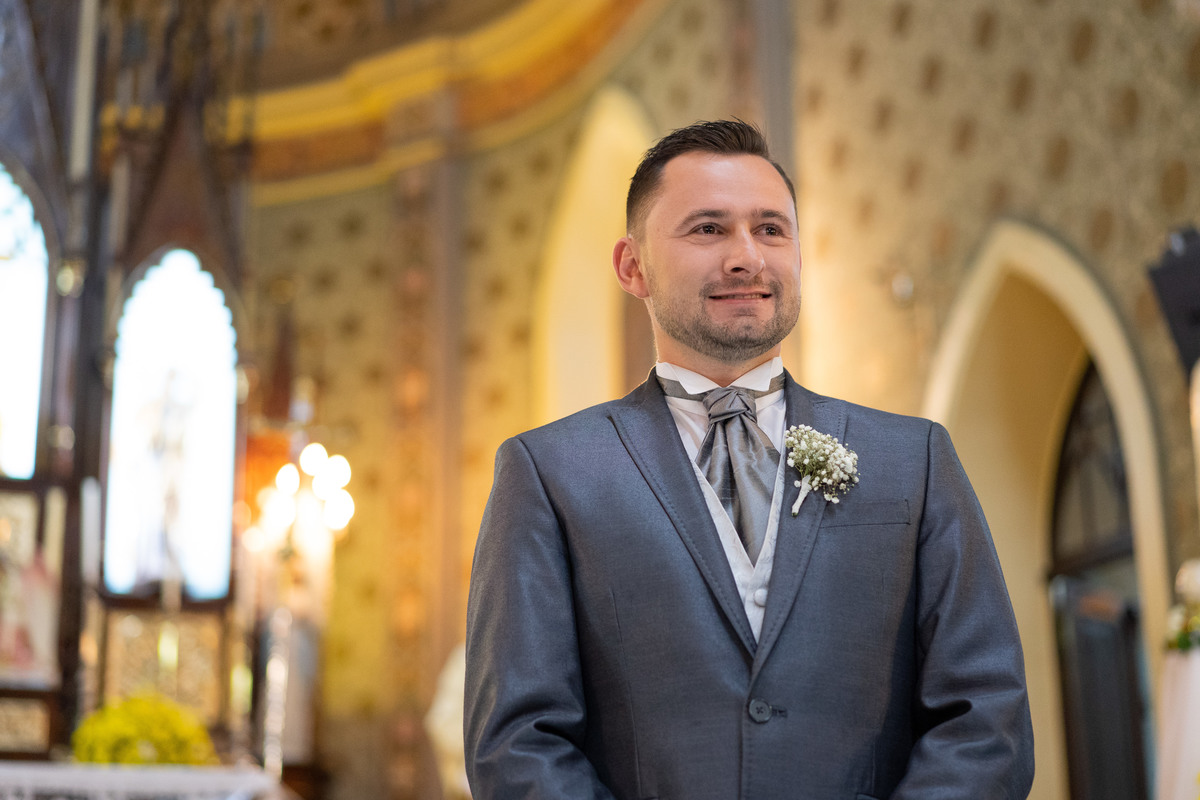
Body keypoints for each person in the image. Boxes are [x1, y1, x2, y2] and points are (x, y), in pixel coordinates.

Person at [464, 119, 1034, 799]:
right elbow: (516, 744)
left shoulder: (915, 460)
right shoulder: (549, 473)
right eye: (708, 229)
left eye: (771, 229)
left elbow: (986, 718)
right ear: (632, 265)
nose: (747, 258)